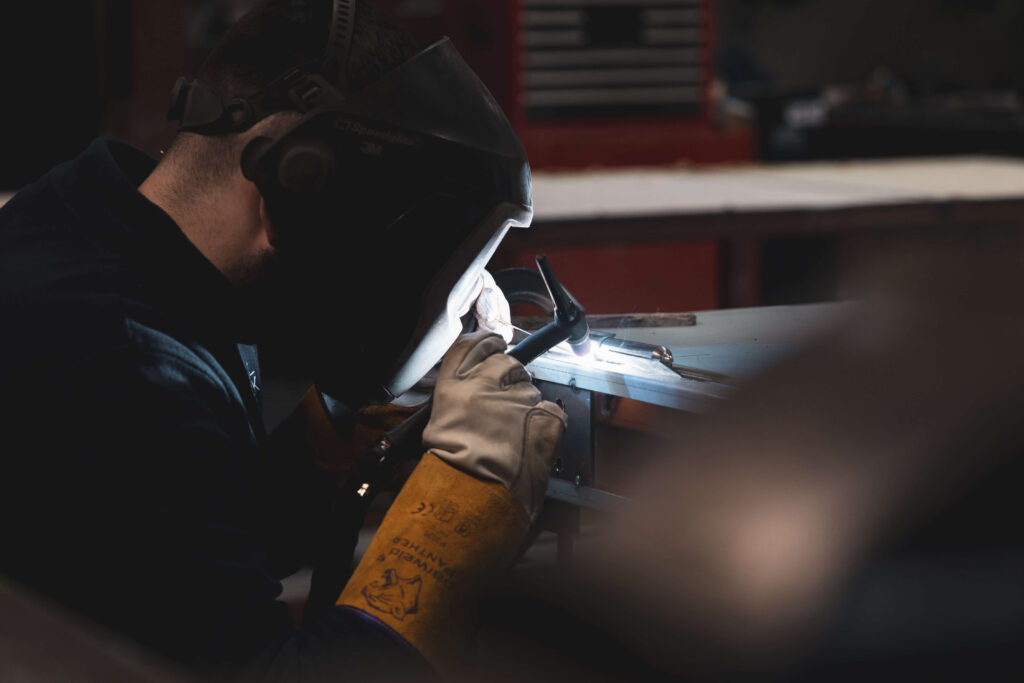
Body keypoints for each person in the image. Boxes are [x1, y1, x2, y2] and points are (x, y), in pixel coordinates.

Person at [0, 0, 566, 679]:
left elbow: (171, 558)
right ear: (302, 184)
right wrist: (465, 494)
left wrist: (316, 442)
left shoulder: (76, 230)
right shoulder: (125, 370)